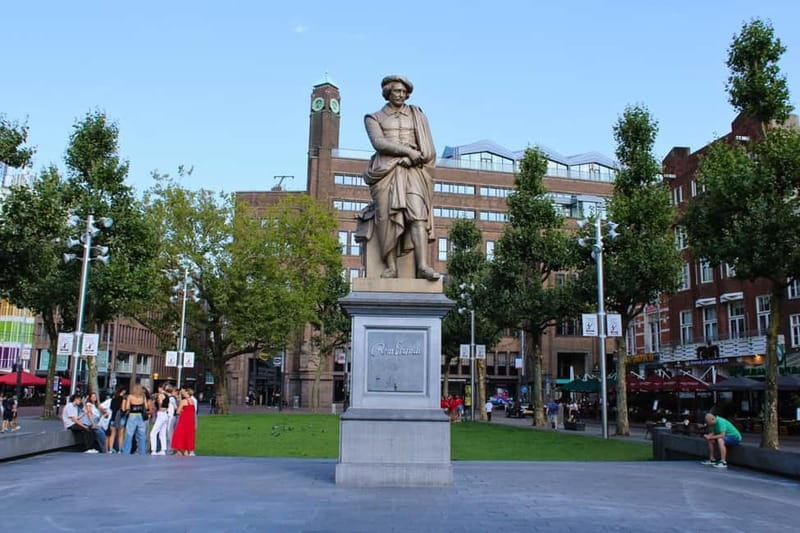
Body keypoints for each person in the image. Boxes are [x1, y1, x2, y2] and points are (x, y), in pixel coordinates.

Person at [361, 75, 439, 281]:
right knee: (386, 218)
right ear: (387, 92)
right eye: (397, 91)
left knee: (418, 213)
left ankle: (422, 266)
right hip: (385, 171)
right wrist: (406, 152)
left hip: (413, 170)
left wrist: (414, 158)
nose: (402, 95)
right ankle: (391, 267)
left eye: (405, 92)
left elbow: (428, 147)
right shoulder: (373, 117)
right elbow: (379, 143)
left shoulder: (417, 115)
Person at [121, 385, 148, 455]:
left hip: (132, 415)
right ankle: (142, 451)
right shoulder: (143, 397)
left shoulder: (130, 396)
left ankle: (126, 451)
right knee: (142, 435)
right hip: (140, 415)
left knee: (129, 434)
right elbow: (146, 406)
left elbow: (127, 407)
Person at [171, 388, 196, 456]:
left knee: (180, 434)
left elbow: (178, 411)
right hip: (190, 421)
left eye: (185, 393)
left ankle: (180, 449)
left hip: (184, 420)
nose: (183, 394)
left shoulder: (183, 401)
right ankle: (187, 450)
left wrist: (181, 410)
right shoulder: (192, 401)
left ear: (187, 393)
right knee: (188, 435)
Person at [149, 385, 170, 455]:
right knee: (162, 433)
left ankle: (153, 450)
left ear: (160, 388)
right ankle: (163, 449)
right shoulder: (167, 395)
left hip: (161, 413)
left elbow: (160, 403)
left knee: (153, 432)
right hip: (166, 414)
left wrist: (158, 405)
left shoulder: (160, 395)